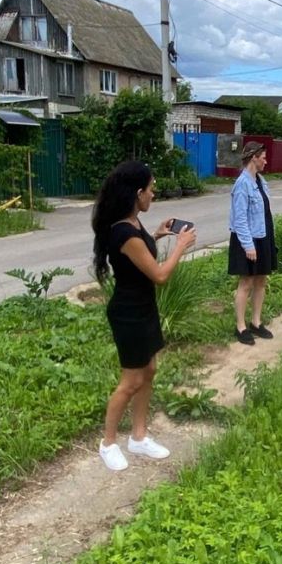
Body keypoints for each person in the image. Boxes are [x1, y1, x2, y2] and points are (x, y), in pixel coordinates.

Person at [92, 160, 196, 471]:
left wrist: (159, 235)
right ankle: (107, 442)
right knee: (131, 380)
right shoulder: (124, 232)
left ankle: (138, 436)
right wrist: (181, 244)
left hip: (143, 307)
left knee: (149, 370)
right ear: (138, 193)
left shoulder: (133, 223)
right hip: (129, 314)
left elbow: (139, 252)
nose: (154, 195)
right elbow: (160, 275)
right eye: (151, 190)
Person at [228, 141, 277, 345]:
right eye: (263, 157)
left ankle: (256, 322)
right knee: (246, 282)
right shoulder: (242, 184)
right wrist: (249, 245)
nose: (266, 161)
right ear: (253, 158)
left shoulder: (260, 180)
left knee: (261, 280)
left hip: (263, 236)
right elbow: (239, 219)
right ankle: (241, 327)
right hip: (247, 239)